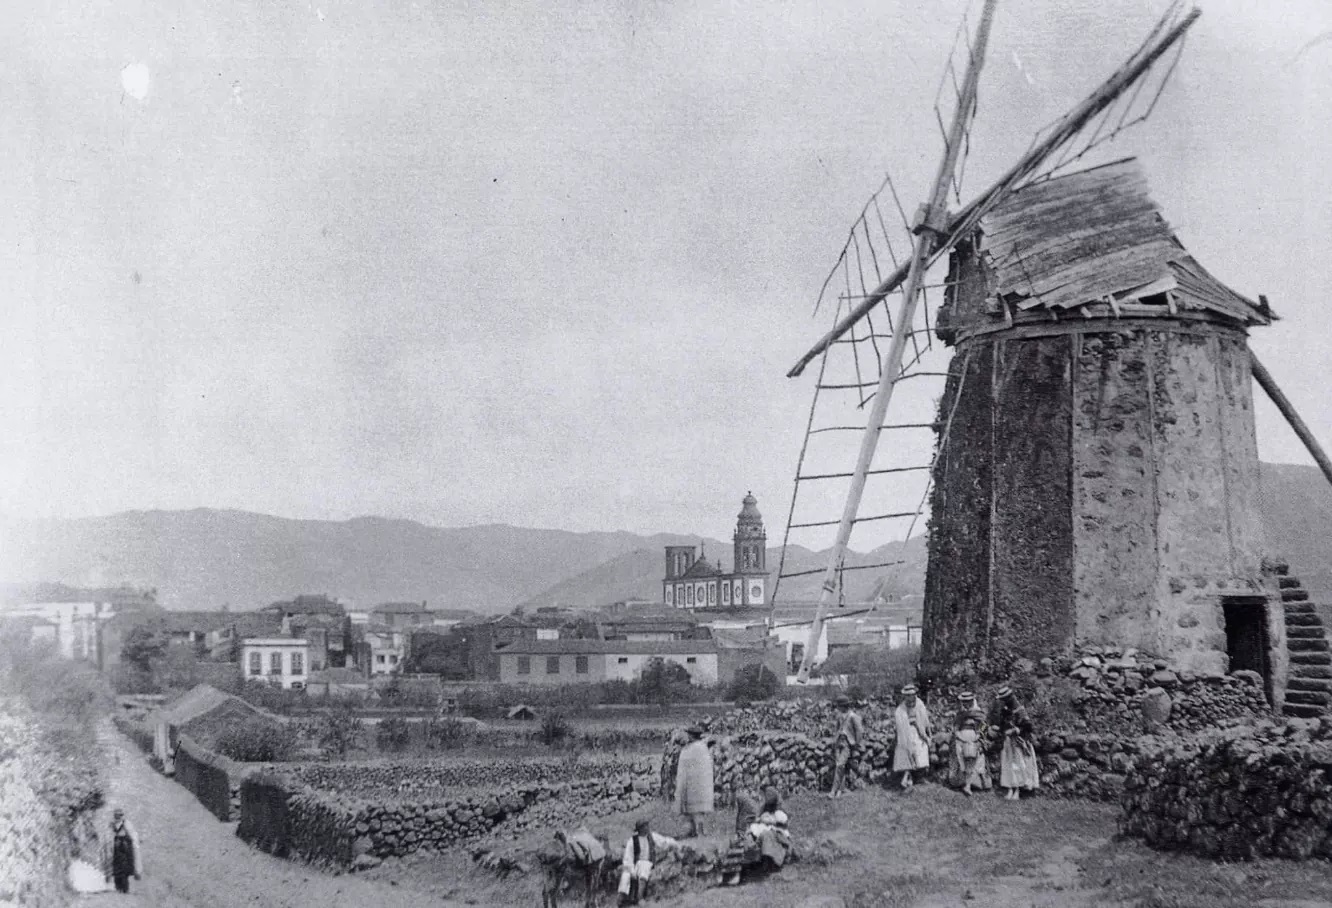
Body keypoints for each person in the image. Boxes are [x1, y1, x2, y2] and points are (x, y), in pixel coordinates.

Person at [992, 684, 1040, 801]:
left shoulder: (1020, 709)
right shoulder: (1005, 710)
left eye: (1004, 699)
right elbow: (1002, 724)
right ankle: (1010, 789)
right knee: (1008, 764)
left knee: (1018, 765)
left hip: (1018, 741)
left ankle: (1017, 790)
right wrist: (1000, 729)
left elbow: (1028, 726)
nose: (1003, 701)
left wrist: (1015, 730)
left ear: (1009, 698)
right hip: (1008, 741)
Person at [616, 818, 678, 905]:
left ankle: (640, 897)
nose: (647, 828)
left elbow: (664, 842)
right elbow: (628, 857)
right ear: (640, 829)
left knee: (643, 870)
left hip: (647, 862)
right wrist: (631, 869)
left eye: (647, 825)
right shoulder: (632, 840)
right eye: (644, 826)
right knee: (626, 874)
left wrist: (674, 843)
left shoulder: (652, 836)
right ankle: (621, 898)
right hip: (635, 864)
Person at [541, 827, 607, 908]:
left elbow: (582, 855)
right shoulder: (581, 840)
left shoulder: (574, 840)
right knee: (590, 880)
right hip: (591, 859)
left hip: (590, 858)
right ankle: (590, 902)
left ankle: (590, 902)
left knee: (551, 885)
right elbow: (582, 856)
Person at [948, 691, 993, 793]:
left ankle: (971, 784)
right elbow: (955, 728)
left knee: (974, 760)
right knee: (961, 760)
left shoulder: (979, 713)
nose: (966, 704)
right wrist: (959, 736)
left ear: (973, 701)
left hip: (974, 738)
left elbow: (983, 726)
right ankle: (962, 783)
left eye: (968, 701)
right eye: (964, 702)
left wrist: (977, 737)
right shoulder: (960, 714)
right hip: (961, 738)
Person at [673, 726, 714, 838]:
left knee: (696, 811)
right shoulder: (701, 747)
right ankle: (694, 831)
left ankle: (699, 832)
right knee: (694, 812)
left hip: (695, 785)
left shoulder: (695, 748)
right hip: (697, 785)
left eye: (689, 734)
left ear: (692, 735)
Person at [892, 684, 933, 791]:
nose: (910, 697)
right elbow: (900, 726)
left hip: (919, 731)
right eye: (908, 695)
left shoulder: (920, 705)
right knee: (905, 749)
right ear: (904, 696)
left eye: (912, 695)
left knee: (921, 747)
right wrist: (910, 722)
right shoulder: (900, 709)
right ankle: (907, 776)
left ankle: (919, 777)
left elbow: (925, 721)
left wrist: (927, 734)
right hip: (906, 733)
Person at [829, 695, 864, 799]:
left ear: (844, 706)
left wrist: (856, 744)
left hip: (848, 744)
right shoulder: (840, 716)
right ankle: (840, 790)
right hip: (838, 743)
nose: (837, 708)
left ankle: (833, 791)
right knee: (840, 766)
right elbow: (836, 729)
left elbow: (859, 731)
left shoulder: (853, 716)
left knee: (840, 765)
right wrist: (834, 741)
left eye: (839, 706)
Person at [68, 813, 110, 893]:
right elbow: (78, 835)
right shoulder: (79, 824)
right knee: (84, 863)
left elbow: (93, 836)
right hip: (83, 846)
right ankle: (86, 886)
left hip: (88, 847)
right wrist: (81, 842)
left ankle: (93, 885)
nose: (89, 817)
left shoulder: (89, 825)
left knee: (90, 863)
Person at [104, 808, 143, 894]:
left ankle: (125, 888)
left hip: (125, 848)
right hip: (116, 848)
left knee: (125, 869)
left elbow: (132, 834)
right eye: (117, 815)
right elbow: (108, 835)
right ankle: (118, 887)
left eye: (120, 814)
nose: (118, 816)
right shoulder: (112, 824)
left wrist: (135, 842)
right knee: (116, 868)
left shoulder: (126, 823)